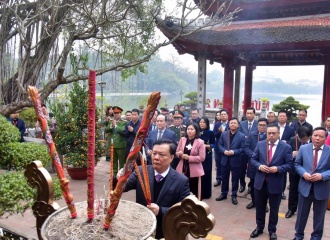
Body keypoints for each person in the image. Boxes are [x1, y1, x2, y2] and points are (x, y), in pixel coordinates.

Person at [124, 139, 190, 239]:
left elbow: (183, 212)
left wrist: (160, 210)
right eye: (154, 153)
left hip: (165, 232)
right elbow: (122, 187)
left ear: (171, 158)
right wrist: (119, 178)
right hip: (142, 229)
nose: (156, 157)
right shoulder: (141, 171)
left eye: (161, 155)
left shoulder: (181, 181)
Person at [250, 123, 293, 240]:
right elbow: (253, 159)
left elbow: (289, 165)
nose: (271, 135)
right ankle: (259, 227)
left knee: (274, 209)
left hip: (276, 183)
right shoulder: (260, 144)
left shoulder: (286, 147)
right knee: (260, 207)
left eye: (274, 133)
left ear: (279, 134)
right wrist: (259, 166)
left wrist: (278, 169)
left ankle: (272, 230)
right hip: (260, 182)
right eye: (269, 133)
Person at [293, 127, 330, 240]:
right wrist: (303, 173)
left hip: (322, 188)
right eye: (315, 135)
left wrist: (322, 176)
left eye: (321, 136)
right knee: (301, 215)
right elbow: (297, 164)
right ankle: (298, 235)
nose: (317, 138)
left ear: (325, 138)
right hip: (305, 187)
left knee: (319, 217)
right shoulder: (304, 148)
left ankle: (316, 237)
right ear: (311, 136)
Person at [215, 117, 245, 205]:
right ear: (229, 124)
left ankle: (234, 195)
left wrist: (234, 152)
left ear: (238, 125)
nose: (233, 124)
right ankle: (224, 193)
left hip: (235, 160)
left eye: (235, 123)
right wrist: (224, 151)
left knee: (235, 179)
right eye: (231, 123)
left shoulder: (241, 136)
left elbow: (243, 149)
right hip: (224, 159)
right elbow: (219, 144)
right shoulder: (224, 134)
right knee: (224, 177)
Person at [285, 126, 311, 219]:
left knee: (304, 190)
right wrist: (292, 153)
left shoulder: (313, 142)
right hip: (294, 169)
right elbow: (287, 153)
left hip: (307, 170)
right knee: (293, 190)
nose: (303, 141)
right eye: (301, 139)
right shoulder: (293, 140)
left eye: (305, 139)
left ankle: (303, 209)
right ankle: (291, 209)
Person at [176, 122, 206, 200]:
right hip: (183, 169)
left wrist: (189, 158)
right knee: (183, 190)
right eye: (188, 129)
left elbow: (202, 158)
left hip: (194, 171)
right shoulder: (182, 140)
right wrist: (179, 154)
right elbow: (176, 152)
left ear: (196, 131)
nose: (189, 131)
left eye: (192, 129)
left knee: (195, 192)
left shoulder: (200, 142)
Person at [244, 118, 268, 210]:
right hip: (253, 164)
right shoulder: (252, 135)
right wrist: (254, 156)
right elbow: (246, 148)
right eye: (260, 125)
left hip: (265, 165)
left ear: (267, 126)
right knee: (253, 184)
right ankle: (254, 201)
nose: (261, 127)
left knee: (264, 186)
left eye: (264, 125)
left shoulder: (269, 136)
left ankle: (264, 204)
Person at [239, 107, 258, 193]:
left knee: (252, 168)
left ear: (254, 114)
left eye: (251, 113)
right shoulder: (242, 124)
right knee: (241, 169)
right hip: (242, 150)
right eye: (248, 113)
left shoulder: (258, 124)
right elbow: (239, 135)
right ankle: (242, 184)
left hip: (252, 150)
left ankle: (251, 185)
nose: (249, 115)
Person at [277, 110, 295, 200]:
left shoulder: (291, 129)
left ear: (286, 117)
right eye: (280, 116)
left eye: (283, 116)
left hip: (284, 152)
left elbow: (292, 141)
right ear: (278, 117)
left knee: (283, 173)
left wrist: (286, 142)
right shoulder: (273, 126)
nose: (282, 118)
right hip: (274, 151)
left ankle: (282, 191)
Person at [104, 106, 126, 173]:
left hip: (121, 145)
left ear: (120, 114)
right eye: (115, 113)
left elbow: (123, 131)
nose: (116, 114)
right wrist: (111, 126)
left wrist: (116, 125)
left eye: (118, 113)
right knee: (114, 161)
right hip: (112, 145)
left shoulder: (124, 122)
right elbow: (106, 130)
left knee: (121, 162)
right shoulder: (111, 122)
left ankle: (121, 175)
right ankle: (114, 175)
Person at [199, 117, 215, 199]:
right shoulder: (196, 132)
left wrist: (206, 146)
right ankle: (198, 192)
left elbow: (214, 144)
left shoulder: (210, 133)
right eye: (200, 122)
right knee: (199, 174)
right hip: (197, 156)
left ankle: (206, 193)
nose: (202, 124)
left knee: (207, 173)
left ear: (207, 124)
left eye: (204, 122)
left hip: (207, 156)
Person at [213, 109, 229, 187]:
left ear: (227, 116)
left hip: (227, 148)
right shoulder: (217, 124)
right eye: (221, 114)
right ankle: (218, 179)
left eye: (224, 114)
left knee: (226, 165)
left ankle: (225, 179)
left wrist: (224, 132)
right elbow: (214, 135)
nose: (223, 116)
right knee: (218, 164)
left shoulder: (230, 124)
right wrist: (219, 132)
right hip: (218, 148)